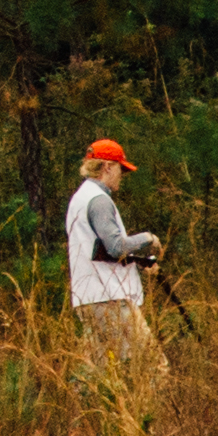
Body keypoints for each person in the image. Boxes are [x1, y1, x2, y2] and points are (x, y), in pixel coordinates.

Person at [65, 137, 167, 366]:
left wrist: (139, 261)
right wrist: (148, 238)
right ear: (107, 167)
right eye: (121, 168)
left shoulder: (81, 198)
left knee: (103, 374)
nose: (123, 175)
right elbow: (115, 247)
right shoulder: (99, 201)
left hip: (89, 298)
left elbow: (98, 250)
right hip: (108, 298)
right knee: (152, 366)